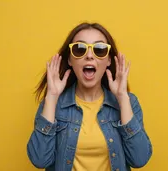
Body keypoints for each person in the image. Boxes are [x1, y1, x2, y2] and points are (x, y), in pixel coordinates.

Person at [27, 22, 152, 171]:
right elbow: (40, 160)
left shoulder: (128, 102)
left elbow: (139, 159)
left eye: (99, 50)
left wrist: (122, 98)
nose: (89, 56)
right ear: (70, 60)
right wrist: (52, 97)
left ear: (108, 60)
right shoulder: (53, 104)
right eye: (80, 49)